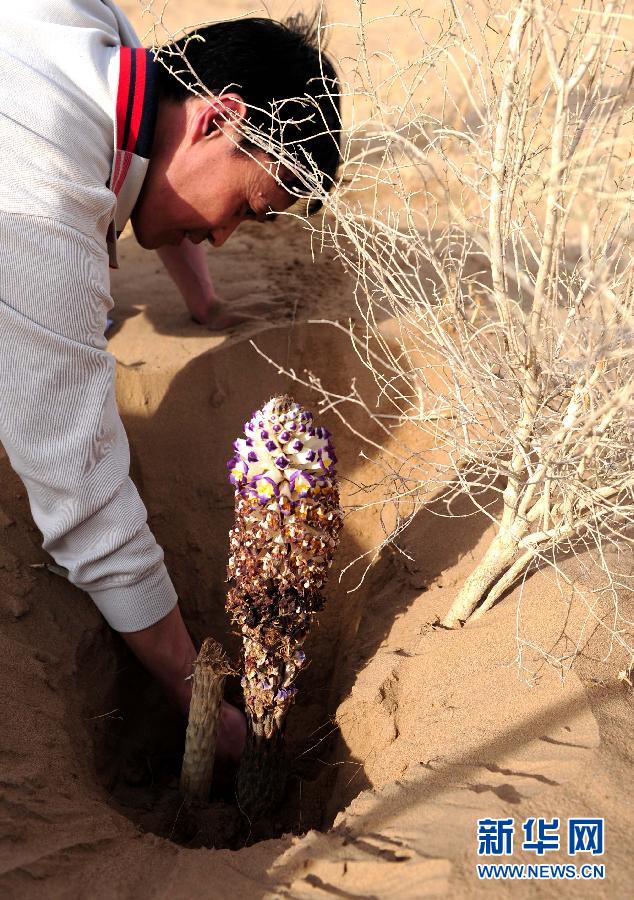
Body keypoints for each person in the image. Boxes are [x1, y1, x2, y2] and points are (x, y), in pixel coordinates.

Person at [0, 1, 340, 767]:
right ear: (220, 117)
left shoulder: (92, 29)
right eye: (248, 207)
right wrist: (198, 702)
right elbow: (81, 491)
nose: (220, 235)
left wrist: (201, 293)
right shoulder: (43, 197)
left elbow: (149, 152)